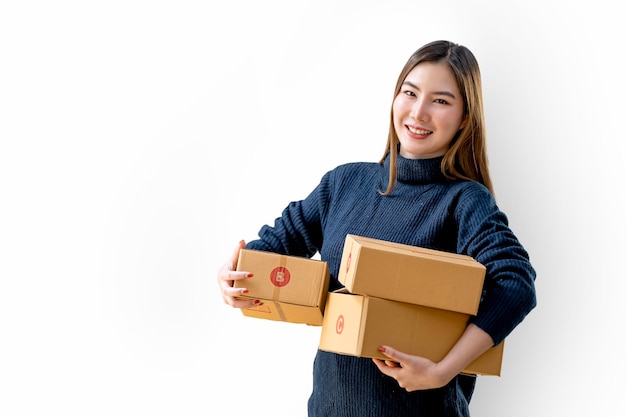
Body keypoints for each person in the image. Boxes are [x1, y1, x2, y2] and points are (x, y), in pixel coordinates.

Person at [217, 40, 537, 416]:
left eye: (441, 101)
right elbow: (270, 250)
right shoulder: (343, 184)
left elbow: (516, 282)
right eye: (410, 92)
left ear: (465, 117)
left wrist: (441, 372)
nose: (418, 112)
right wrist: (235, 277)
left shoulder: (464, 201)